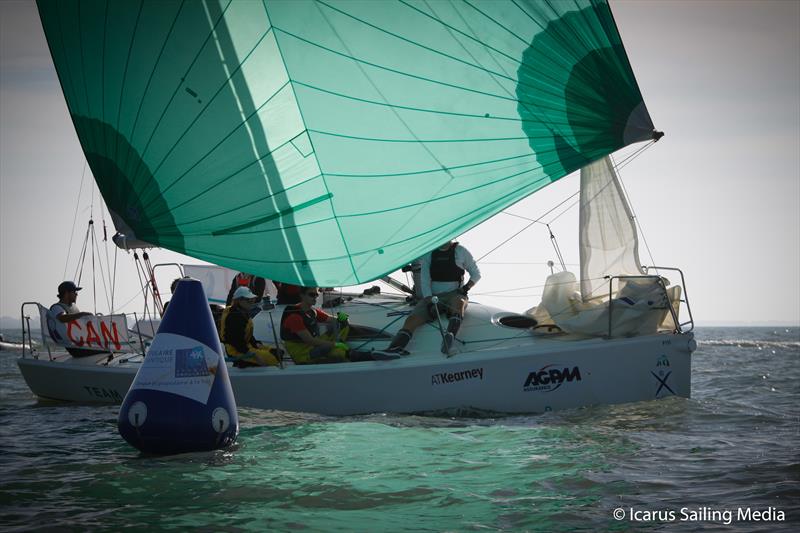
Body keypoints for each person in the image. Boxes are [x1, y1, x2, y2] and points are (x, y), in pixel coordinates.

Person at [385, 240, 481, 354]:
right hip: (433, 296)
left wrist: (465, 288)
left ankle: (449, 337)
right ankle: (395, 348)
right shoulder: (429, 254)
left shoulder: (460, 251)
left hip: (454, 294)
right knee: (412, 319)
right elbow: (425, 279)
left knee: (459, 303)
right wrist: (428, 298)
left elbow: (476, 274)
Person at [280, 287, 398, 364]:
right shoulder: (294, 317)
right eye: (311, 295)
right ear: (302, 295)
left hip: (313, 345)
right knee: (337, 354)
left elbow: (333, 319)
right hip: (303, 354)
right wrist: (335, 344)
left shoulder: (313, 311)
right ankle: (365, 355)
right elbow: (310, 340)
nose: (315, 297)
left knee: (343, 324)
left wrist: (343, 317)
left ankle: (342, 347)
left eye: (316, 295)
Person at [220, 286, 280, 367]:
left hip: (245, 347)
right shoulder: (234, 317)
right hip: (236, 351)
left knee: (278, 352)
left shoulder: (242, 312)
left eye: (253, 299)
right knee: (272, 358)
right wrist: (255, 356)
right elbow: (237, 342)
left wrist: (256, 344)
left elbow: (248, 335)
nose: (252, 302)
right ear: (239, 301)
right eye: (248, 300)